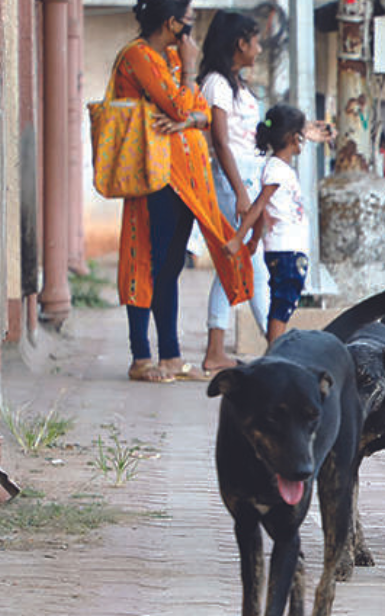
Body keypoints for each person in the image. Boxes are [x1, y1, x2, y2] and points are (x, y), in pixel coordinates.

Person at [114, 0, 252, 383]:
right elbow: (178, 106)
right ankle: (141, 356)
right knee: (148, 263)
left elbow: (201, 113)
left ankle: (171, 356)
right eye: (188, 23)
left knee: (172, 266)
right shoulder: (138, 57)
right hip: (152, 176)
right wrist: (189, 86)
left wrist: (189, 115)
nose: (192, 32)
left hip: (184, 180)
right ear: (172, 23)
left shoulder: (172, 58)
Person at [197, 10, 269, 373]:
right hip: (232, 181)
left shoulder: (237, 84)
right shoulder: (216, 84)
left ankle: (217, 349)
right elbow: (221, 143)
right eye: (255, 41)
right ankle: (278, 344)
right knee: (250, 264)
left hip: (249, 178)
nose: (258, 48)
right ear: (240, 43)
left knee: (238, 263)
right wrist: (241, 193)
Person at [228, 104, 312, 344]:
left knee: (284, 302)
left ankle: (274, 353)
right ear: (291, 137)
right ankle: (274, 354)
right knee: (282, 302)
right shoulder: (276, 169)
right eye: (300, 133)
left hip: (288, 247)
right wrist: (239, 238)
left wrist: (254, 239)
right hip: (286, 249)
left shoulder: (281, 169)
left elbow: (262, 210)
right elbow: (257, 206)